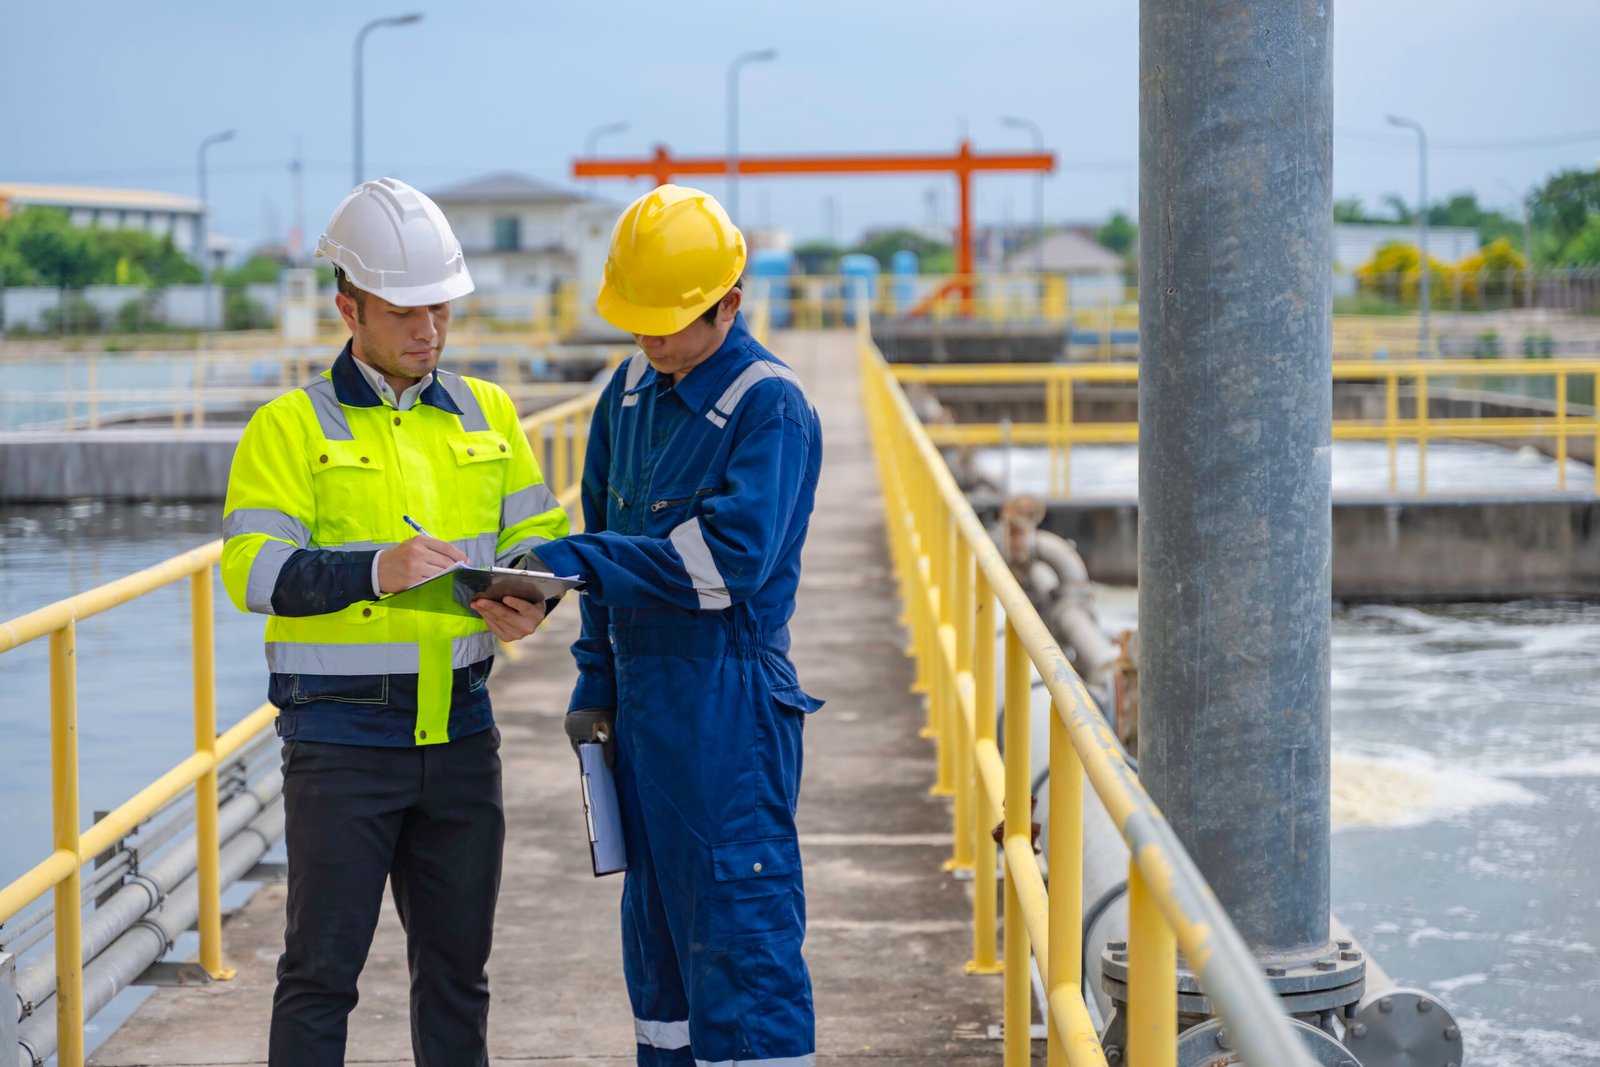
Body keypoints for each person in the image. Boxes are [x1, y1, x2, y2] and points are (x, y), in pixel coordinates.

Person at [219, 176, 569, 1067]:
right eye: (407, 311)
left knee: (458, 973)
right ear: (349, 307)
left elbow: (541, 537)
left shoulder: (489, 415)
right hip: (341, 741)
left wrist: (527, 597)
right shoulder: (289, 428)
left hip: (462, 733)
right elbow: (253, 571)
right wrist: (377, 568)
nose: (431, 331)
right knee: (321, 973)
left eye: (442, 310)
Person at [528, 184, 824, 1067]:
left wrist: (580, 560)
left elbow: (728, 561)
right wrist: (593, 683)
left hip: (727, 710)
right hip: (642, 705)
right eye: (639, 323)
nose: (652, 342)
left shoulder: (770, 406)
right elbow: (603, 541)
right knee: (656, 949)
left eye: (670, 323)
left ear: (730, 304)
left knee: (743, 940)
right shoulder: (625, 394)